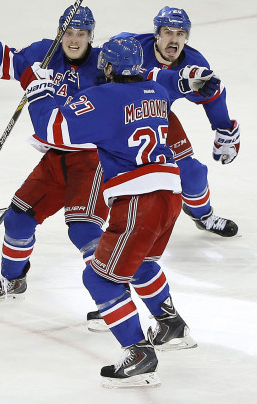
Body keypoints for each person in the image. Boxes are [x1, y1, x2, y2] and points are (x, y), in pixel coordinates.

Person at [24, 37, 211, 388]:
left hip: (139, 199)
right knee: (141, 264)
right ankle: (170, 325)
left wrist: (39, 89)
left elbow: (51, 130)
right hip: (170, 195)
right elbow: (156, 93)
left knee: (98, 278)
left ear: (107, 67)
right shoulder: (155, 91)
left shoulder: (100, 97)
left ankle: (138, 353)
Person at [0, 7, 109, 319]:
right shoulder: (44, 54)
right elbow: (4, 61)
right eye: (69, 33)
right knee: (18, 218)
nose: (74, 40)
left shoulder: (104, 64)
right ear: (60, 34)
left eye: (81, 34)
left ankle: (111, 300)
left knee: (85, 230)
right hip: (55, 156)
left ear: (91, 36)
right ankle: (13, 280)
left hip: (93, 159)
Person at [116, 6, 239, 237]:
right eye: (168, 31)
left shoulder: (193, 62)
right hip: (117, 118)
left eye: (180, 33)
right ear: (157, 33)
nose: (174, 38)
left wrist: (224, 128)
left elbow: (212, 94)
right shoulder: (132, 46)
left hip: (157, 115)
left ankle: (203, 216)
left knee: (192, 172)